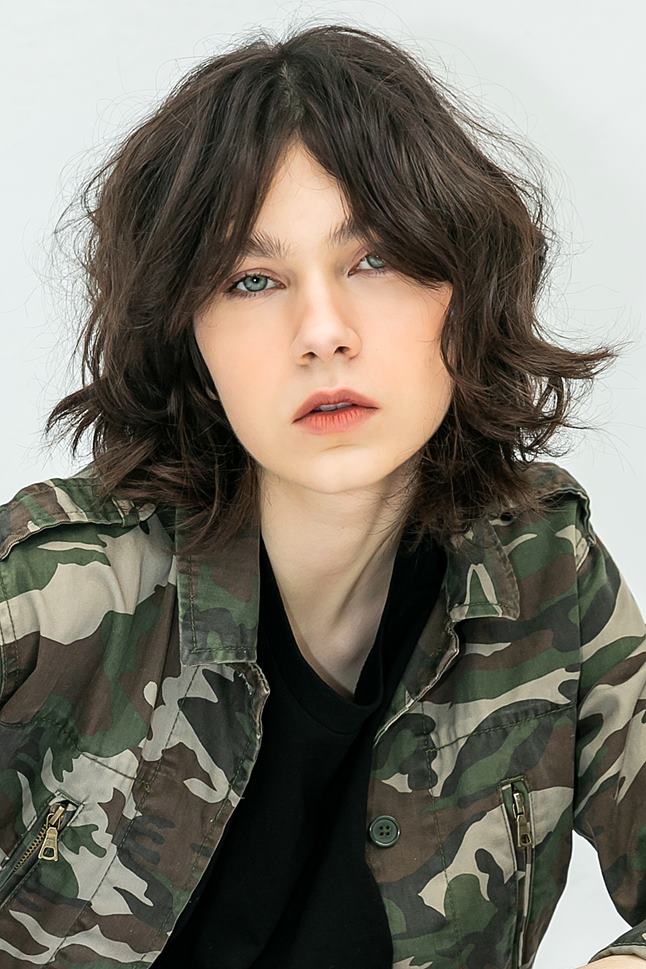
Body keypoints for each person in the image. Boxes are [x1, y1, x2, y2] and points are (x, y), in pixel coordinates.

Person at [0, 21, 643, 969]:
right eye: (253, 279)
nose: (323, 330)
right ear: (188, 336)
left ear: (464, 289)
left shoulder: (542, 568)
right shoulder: (50, 592)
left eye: (373, 259)